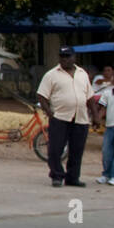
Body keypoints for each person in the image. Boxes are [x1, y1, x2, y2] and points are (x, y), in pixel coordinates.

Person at [36, 46, 96, 188]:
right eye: (63, 56)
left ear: (74, 57)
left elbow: (90, 97)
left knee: (77, 150)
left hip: (80, 118)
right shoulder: (51, 75)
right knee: (55, 149)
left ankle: (73, 177)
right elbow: (41, 95)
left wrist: (95, 115)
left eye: (68, 56)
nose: (65, 59)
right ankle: (57, 176)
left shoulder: (82, 74)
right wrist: (49, 112)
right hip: (60, 117)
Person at [92, 65, 114, 186]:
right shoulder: (107, 93)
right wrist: (97, 119)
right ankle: (106, 174)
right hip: (110, 126)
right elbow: (102, 108)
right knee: (107, 151)